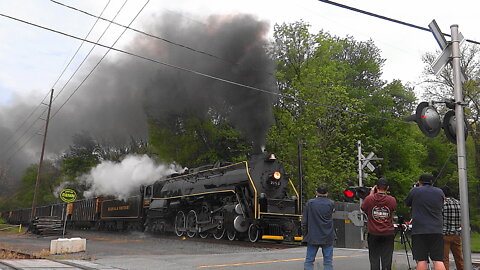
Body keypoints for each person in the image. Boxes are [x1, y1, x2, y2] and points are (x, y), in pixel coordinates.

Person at [405, 174, 446, 270]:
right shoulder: (440, 192)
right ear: (432, 182)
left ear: (420, 182)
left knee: (421, 259)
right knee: (438, 259)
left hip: (419, 230)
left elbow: (407, 204)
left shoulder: (415, 191)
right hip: (436, 229)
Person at [361, 178, 397, 270]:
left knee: (374, 260)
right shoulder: (392, 200)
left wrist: (371, 193)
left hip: (373, 233)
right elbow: (393, 209)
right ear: (387, 188)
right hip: (387, 233)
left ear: (376, 187)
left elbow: (363, 207)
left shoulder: (370, 199)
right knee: (387, 260)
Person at [302, 185, 335, 270]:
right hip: (328, 235)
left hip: (313, 235)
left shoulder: (310, 203)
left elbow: (304, 221)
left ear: (316, 192)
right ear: (327, 193)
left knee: (309, 260)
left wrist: (305, 234)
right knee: (328, 262)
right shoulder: (331, 204)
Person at [441, 185, 463, 270]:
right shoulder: (459, 203)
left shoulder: (442, 204)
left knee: (444, 259)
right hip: (457, 234)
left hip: (445, 234)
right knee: (459, 258)